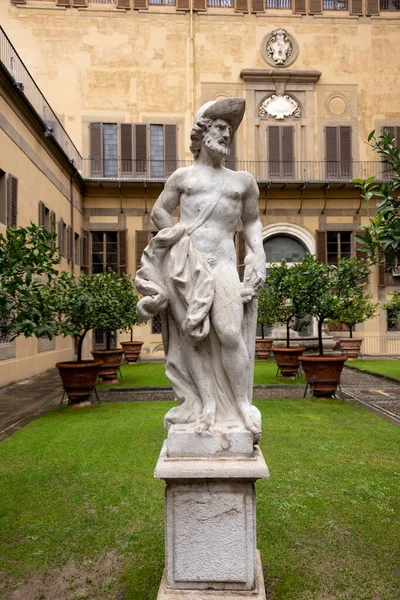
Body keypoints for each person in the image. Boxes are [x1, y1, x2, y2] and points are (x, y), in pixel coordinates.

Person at [136, 98, 266, 439]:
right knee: (193, 337)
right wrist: (178, 238)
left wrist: (259, 254)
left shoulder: (242, 182)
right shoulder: (183, 178)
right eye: (220, 128)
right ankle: (206, 403)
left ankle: (240, 404)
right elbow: (159, 211)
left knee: (229, 333)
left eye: (230, 130)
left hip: (223, 263)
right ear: (202, 132)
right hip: (187, 268)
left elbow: (252, 222)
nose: (227, 135)